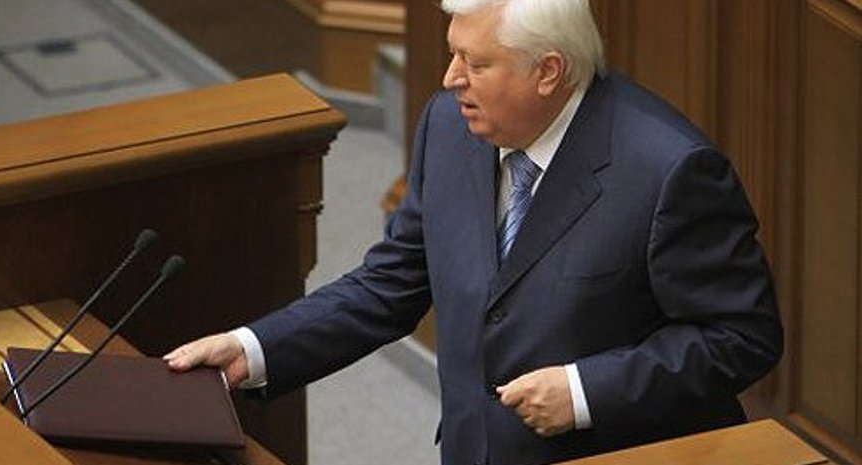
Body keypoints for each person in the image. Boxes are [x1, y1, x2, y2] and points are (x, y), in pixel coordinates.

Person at [164, 0, 784, 463]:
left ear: (548, 71)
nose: (449, 78)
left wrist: (585, 390)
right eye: (453, 53)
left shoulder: (669, 172)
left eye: (475, 63)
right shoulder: (450, 126)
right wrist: (252, 349)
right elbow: (392, 284)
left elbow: (742, 336)